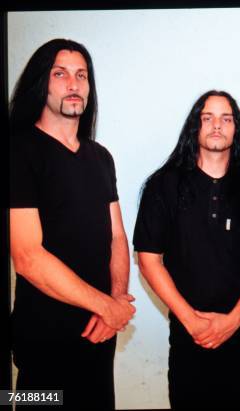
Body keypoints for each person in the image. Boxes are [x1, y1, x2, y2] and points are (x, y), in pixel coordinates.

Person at [9, 39, 136, 410]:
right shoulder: (18, 151)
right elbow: (28, 256)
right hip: (43, 342)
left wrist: (113, 302)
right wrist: (107, 307)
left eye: (81, 75)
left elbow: (116, 236)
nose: (73, 84)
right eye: (60, 74)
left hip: (98, 338)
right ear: (41, 83)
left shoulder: (100, 157)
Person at [133, 90, 240, 409]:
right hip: (188, 335)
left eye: (226, 119)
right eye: (207, 118)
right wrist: (190, 320)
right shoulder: (163, 185)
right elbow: (148, 260)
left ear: (237, 129)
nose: (216, 126)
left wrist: (232, 322)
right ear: (195, 126)